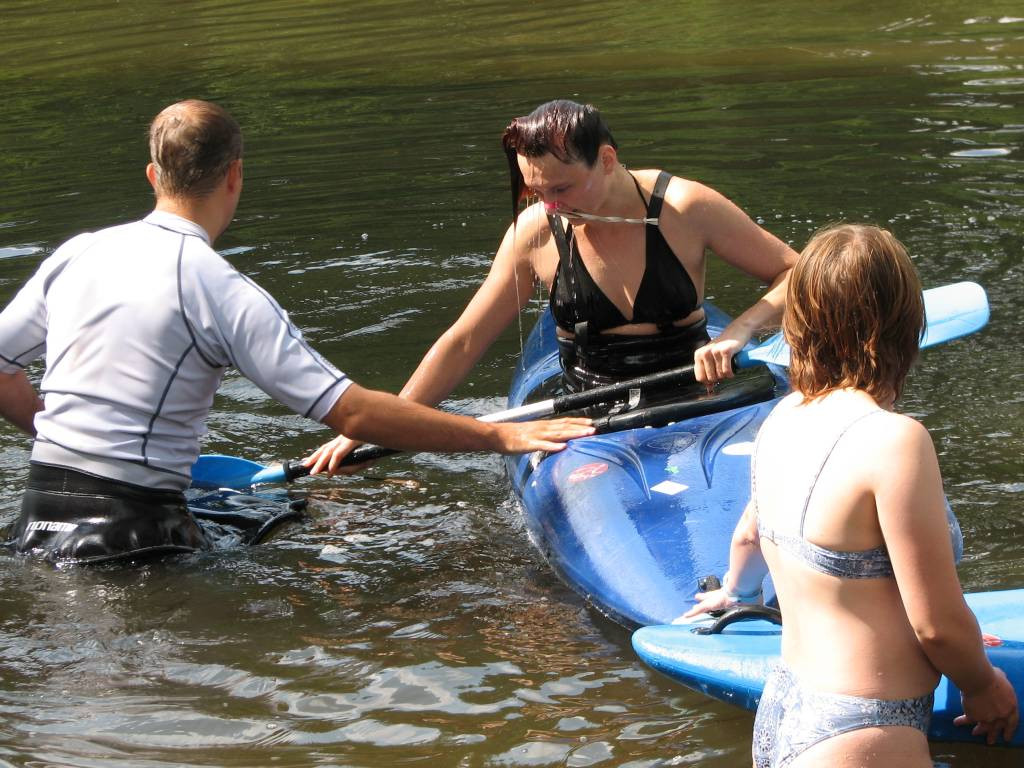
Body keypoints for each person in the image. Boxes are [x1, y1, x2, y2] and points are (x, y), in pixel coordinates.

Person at [0, 99, 593, 565]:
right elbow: (352, 413)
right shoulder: (222, 290)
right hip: (137, 535)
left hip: (36, 518)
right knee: (301, 524)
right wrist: (499, 436)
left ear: (154, 175)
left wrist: (62, 435)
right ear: (235, 176)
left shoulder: (76, 254)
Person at [307, 99, 797, 474]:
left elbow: (797, 271)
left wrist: (740, 330)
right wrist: (382, 421)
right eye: (537, 191)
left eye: (561, 188)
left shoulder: (685, 207)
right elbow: (464, 341)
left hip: (698, 397)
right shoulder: (535, 232)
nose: (551, 206)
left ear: (607, 159)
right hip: (586, 409)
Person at [683, 224, 1018, 766]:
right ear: (905, 324)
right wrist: (983, 686)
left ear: (799, 324)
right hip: (867, 726)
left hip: (785, 709)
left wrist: (735, 594)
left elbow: (750, 534)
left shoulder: (782, 418)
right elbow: (935, 626)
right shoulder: (895, 440)